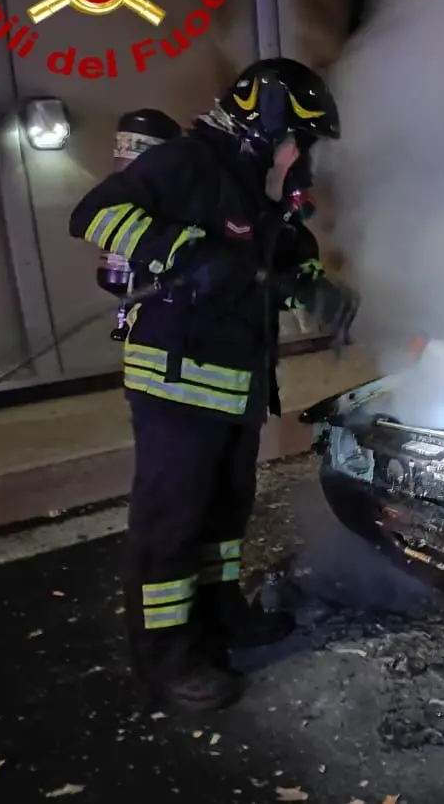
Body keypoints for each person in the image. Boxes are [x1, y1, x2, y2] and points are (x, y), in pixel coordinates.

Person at [69, 58, 359, 712]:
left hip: (235, 386)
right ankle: (167, 659)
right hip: (176, 382)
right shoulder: (188, 164)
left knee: (224, 518)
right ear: (264, 128)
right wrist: (189, 255)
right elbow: (97, 213)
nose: (301, 155)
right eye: (299, 140)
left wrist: (314, 285)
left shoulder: (257, 191)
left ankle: (221, 615)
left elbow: (277, 263)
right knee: (170, 525)